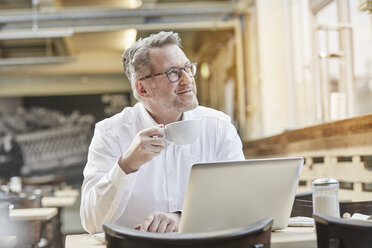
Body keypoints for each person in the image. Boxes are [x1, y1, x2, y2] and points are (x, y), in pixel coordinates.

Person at [80, 31, 245, 234]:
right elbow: (91, 222)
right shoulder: (110, 134)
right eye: (173, 73)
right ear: (142, 89)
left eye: (187, 68)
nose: (187, 80)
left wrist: (180, 217)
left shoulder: (218, 127)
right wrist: (126, 166)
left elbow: (237, 201)